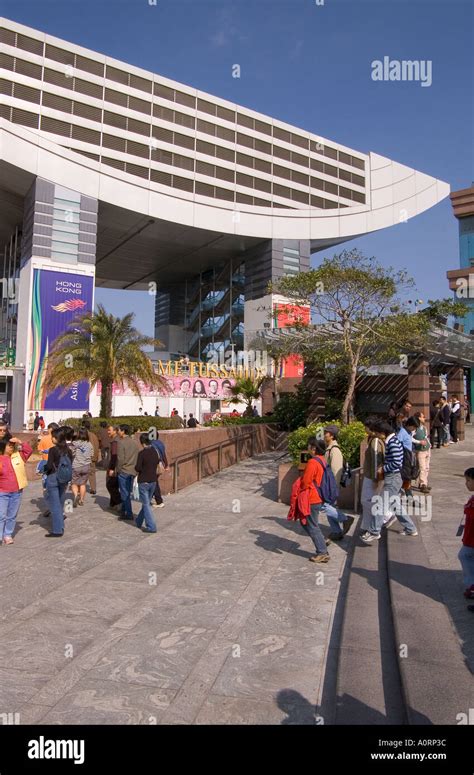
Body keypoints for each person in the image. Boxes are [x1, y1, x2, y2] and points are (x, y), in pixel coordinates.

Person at [361, 420, 418, 542]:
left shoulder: (392, 442)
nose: (377, 435)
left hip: (393, 478)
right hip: (393, 478)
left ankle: (374, 531)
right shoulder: (393, 441)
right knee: (395, 505)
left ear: (383, 432)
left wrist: (383, 468)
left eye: (378, 433)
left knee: (381, 505)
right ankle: (410, 528)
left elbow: (397, 462)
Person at [299, 436, 330, 563]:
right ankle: (321, 541)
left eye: (309, 446)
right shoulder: (322, 460)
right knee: (306, 522)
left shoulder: (312, 462)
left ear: (313, 448)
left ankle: (322, 552)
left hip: (312, 497)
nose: (308, 448)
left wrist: (300, 485)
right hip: (318, 497)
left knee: (311, 525)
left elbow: (306, 482)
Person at [322, 426, 354, 541]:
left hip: (331, 486)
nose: (324, 435)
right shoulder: (330, 448)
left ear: (332, 435)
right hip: (329, 485)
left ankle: (345, 519)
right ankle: (336, 531)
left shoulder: (334, 450)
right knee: (330, 507)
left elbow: (336, 471)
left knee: (325, 507)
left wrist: (332, 488)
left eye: (326, 433)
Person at [0, 435, 32, 545]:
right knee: (1, 515)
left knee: (12, 515)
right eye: (9, 446)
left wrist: (19, 441)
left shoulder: (18, 456)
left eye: (12, 446)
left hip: (16, 492)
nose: (11, 448)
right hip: (2, 492)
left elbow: (29, 450)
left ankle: (7, 535)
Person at [44, 428, 73, 537]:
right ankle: (60, 526)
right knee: (60, 502)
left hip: (53, 478)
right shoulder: (68, 450)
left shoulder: (53, 450)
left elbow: (49, 466)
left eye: (53, 437)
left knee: (54, 505)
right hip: (64, 479)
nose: (51, 438)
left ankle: (57, 530)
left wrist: (43, 470)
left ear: (57, 438)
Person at [360, 417, 385, 533]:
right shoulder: (371, 439)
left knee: (367, 501)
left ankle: (383, 516)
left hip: (371, 476)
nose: (364, 428)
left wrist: (375, 478)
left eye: (366, 426)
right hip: (369, 475)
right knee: (367, 501)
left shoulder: (375, 441)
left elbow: (376, 459)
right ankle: (367, 526)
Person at [135, 433, 159, 533]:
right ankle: (139, 520)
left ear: (142, 443)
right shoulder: (154, 451)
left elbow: (138, 468)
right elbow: (157, 462)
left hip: (143, 481)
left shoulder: (142, 454)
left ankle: (151, 526)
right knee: (146, 503)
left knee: (146, 504)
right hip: (153, 480)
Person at [116, 425, 139, 520]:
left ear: (123, 431)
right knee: (127, 492)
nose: (117, 432)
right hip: (132, 470)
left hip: (124, 470)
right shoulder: (134, 442)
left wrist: (118, 469)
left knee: (124, 493)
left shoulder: (121, 443)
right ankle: (123, 512)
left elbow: (120, 459)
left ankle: (129, 513)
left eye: (118, 430)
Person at [458, 468, 474, 601]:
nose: (466, 483)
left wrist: (468, 509)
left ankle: (472, 585)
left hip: (472, 539)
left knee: (464, 555)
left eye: (468, 480)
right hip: (469, 536)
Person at [406, 414, 431, 493]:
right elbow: (410, 438)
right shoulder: (414, 429)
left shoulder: (424, 427)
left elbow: (426, 437)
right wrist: (419, 442)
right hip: (420, 450)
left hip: (427, 449)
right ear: (418, 418)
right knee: (422, 467)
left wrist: (429, 444)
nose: (424, 418)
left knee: (427, 467)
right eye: (422, 417)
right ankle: (423, 484)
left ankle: (424, 483)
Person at [71, 428, 93, 507]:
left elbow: (71, 453)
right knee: (83, 483)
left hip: (76, 465)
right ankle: (81, 500)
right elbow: (91, 454)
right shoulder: (89, 444)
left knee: (74, 483)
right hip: (86, 466)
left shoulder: (75, 443)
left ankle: (76, 495)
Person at [150, 431, 169, 508]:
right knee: (153, 481)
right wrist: (166, 465)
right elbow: (164, 455)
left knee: (154, 483)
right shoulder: (160, 443)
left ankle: (159, 501)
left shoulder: (152, 444)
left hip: (154, 466)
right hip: (160, 465)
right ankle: (152, 497)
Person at [106, 425, 121, 510]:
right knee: (114, 485)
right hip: (115, 466)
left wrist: (112, 468)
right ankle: (113, 503)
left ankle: (119, 502)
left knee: (110, 485)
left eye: (109, 430)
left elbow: (114, 456)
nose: (108, 432)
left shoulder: (115, 441)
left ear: (115, 431)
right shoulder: (116, 440)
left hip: (114, 467)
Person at [82, 419, 100, 494]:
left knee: (83, 473)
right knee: (92, 473)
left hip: (86, 457)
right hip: (93, 457)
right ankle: (93, 488)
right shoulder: (94, 435)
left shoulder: (84, 435)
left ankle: (81, 487)